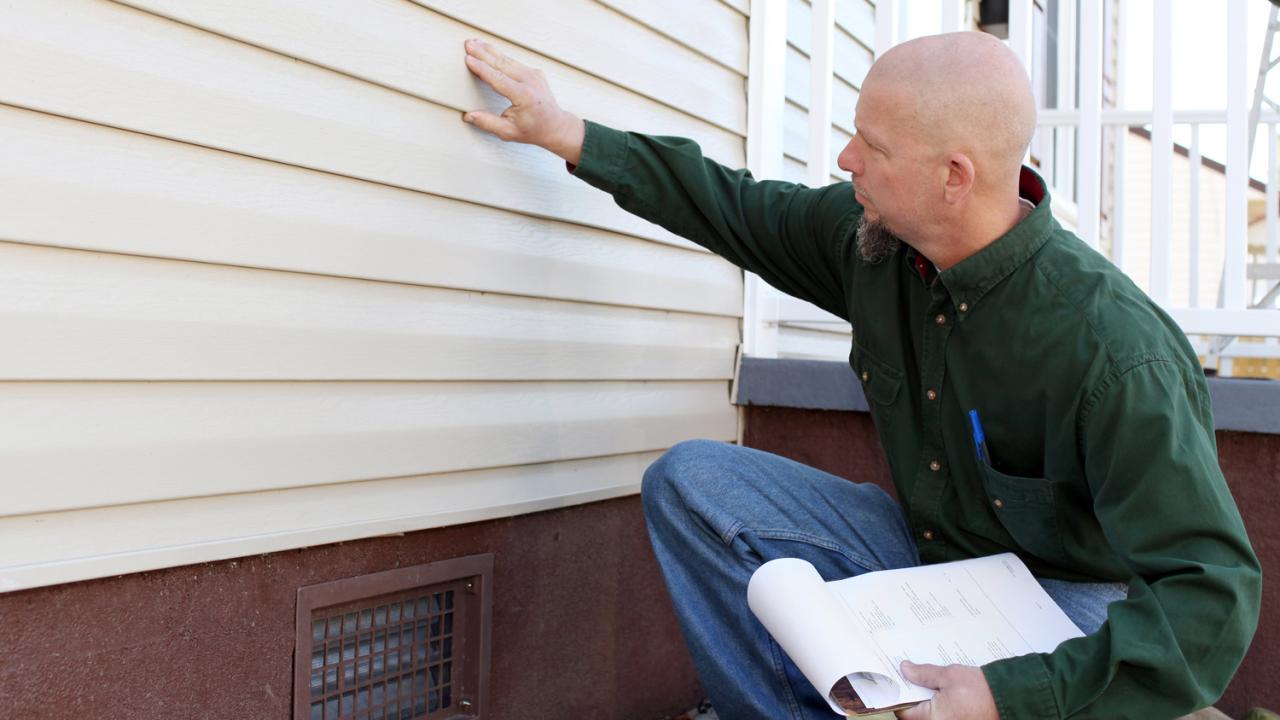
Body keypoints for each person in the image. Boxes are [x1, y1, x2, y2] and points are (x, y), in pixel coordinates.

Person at [462, 31, 1261, 720]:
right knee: (693, 483)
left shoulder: (1114, 350)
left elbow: (1211, 597)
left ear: (954, 176)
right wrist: (568, 133)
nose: (846, 159)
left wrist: (1010, 696)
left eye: (871, 147)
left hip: (1064, 600)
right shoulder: (873, 245)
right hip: (925, 559)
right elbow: (734, 206)